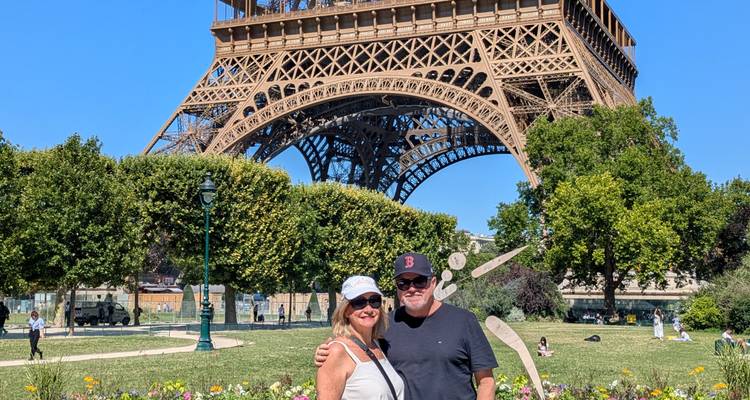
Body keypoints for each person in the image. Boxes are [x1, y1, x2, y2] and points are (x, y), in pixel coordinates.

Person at [317, 252, 497, 400]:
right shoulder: (385, 326)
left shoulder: (463, 321)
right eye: (403, 283)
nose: (412, 288)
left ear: (433, 283)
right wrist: (327, 351)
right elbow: (354, 347)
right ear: (397, 288)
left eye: (419, 281)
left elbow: (486, 381)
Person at [317, 276, 404, 400]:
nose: (368, 309)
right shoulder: (337, 352)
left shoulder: (377, 345)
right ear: (346, 310)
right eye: (359, 303)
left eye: (374, 301)